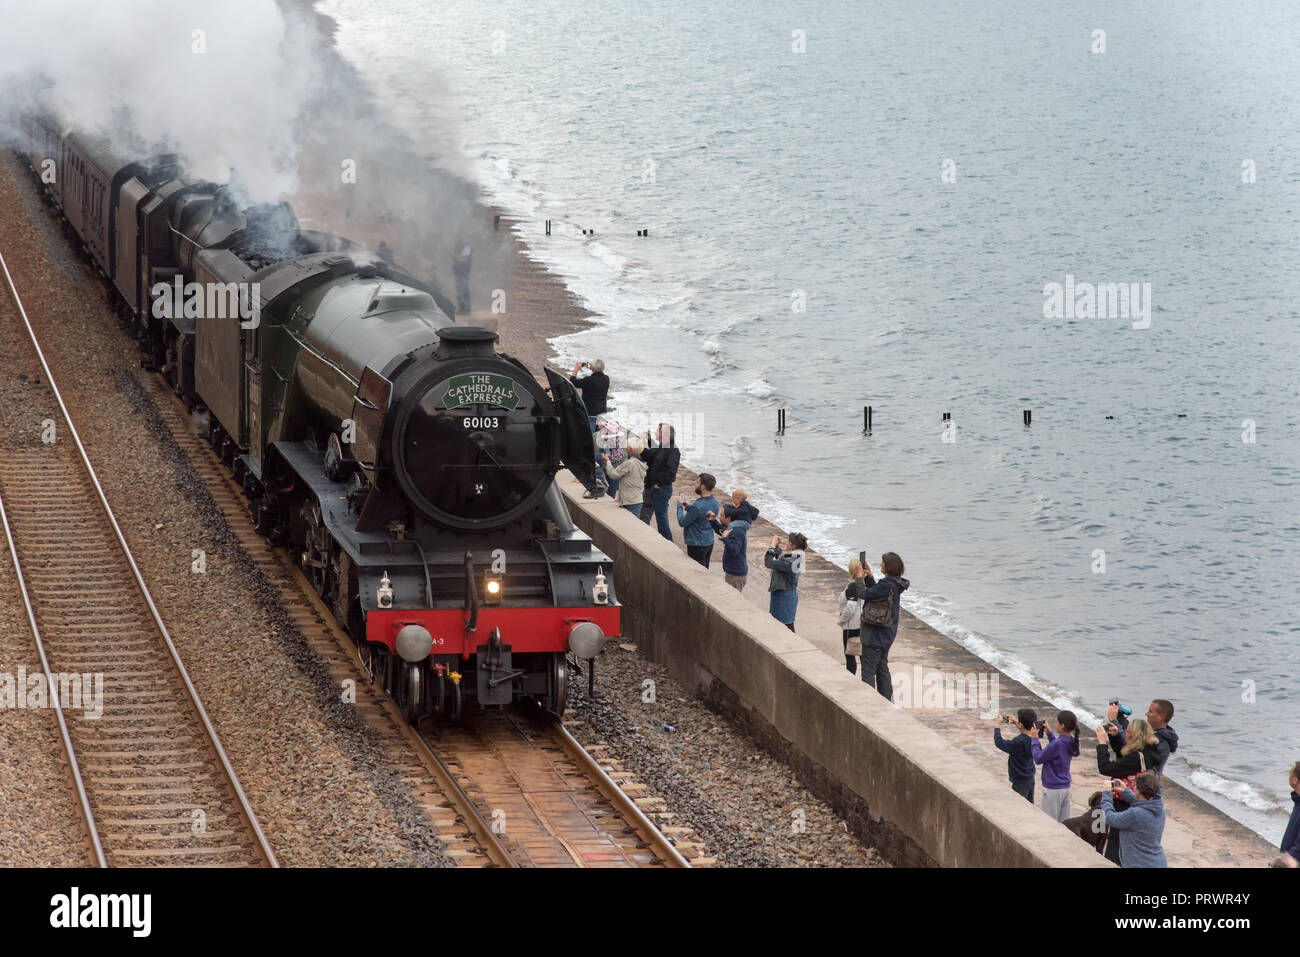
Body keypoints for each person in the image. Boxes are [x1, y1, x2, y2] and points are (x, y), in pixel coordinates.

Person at [1095, 717, 1163, 865]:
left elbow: (1106, 768)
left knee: (1116, 845)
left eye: (1127, 732)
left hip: (1123, 806)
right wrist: (1115, 737)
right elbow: (1124, 759)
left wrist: (1102, 744)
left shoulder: (1136, 758)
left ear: (1133, 736)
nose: (1125, 734)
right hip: (1134, 801)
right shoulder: (1149, 751)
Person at [843, 552, 910, 699]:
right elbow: (875, 594)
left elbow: (863, 593)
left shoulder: (886, 585)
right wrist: (870, 577)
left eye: (883, 563)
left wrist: (860, 577)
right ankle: (887, 701)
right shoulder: (893, 584)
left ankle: (869, 702)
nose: (881, 564)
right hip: (886, 635)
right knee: (882, 669)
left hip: (874, 636)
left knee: (868, 672)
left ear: (888, 567)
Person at [1100, 771, 1168, 868]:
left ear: (1139, 791)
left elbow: (1110, 818)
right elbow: (1143, 803)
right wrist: (1125, 791)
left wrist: (1106, 793)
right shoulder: (1159, 808)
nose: (1134, 787)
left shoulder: (1135, 814)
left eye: (1135, 786)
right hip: (1157, 862)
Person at [569, 361, 610, 498]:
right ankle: (598, 472)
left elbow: (572, 382)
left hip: (591, 415)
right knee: (599, 445)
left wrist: (577, 368)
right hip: (602, 415)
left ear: (592, 368)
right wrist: (592, 368)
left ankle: (588, 474)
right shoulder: (606, 379)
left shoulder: (590, 380)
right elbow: (594, 379)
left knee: (587, 445)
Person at [1033, 710, 1080, 821]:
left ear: (1062, 725)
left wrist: (1034, 739)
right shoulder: (1073, 741)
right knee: (1064, 823)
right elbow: (1058, 749)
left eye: (1056, 722)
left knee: (1050, 822)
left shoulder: (1057, 744)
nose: (1055, 724)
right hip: (1066, 787)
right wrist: (1049, 734)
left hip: (1052, 789)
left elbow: (1038, 758)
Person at [1109, 699, 1179, 774]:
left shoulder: (1159, 740)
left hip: (1145, 782)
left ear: (1161, 717)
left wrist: (1114, 721)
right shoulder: (1153, 733)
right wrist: (1120, 717)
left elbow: (1128, 747)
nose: (1147, 714)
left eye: (1150, 711)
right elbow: (1131, 732)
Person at [639, 423, 679, 540]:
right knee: (646, 515)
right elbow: (651, 454)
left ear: (664, 434)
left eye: (658, 431)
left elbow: (670, 472)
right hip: (653, 487)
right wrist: (648, 441)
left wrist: (659, 484)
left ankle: (668, 543)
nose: (656, 432)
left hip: (661, 489)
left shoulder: (672, 450)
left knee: (661, 520)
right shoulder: (663, 446)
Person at [764, 533, 806, 631]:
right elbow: (782, 557)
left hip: (784, 597)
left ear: (793, 546)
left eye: (788, 543)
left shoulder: (790, 562)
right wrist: (777, 546)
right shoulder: (797, 556)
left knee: (785, 627)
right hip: (787, 594)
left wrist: (772, 546)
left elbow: (768, 562)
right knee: (784, 625)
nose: (786, 544)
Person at [677, 474, 721, 568]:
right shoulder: (716, 503)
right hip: (708, 541)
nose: (695, 484)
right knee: (705, 570)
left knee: (697, 572)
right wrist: (689, 507)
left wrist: (680, 506)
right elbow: (702, 516)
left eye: (697, 482)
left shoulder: (698, 505)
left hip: (697, 543)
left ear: (703, 486)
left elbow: (682, 522)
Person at [995, 710, 1038, 803]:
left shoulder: (1018, 742)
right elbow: (1025, 732)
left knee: (1020, 806)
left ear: (1021, 724)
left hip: (1020, 781)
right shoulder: (1034, 739)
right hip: (1030, 778)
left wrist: (997, 726)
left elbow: (1000, 743)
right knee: (1030, 806)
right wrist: (1016, 722)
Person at [708, 506, 751, 591]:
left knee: (733, 601)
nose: (719, 517)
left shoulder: (736, 531)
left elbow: (734, 550)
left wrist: (725, 539)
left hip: (736, 575)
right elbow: (722, 530)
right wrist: (712, 520)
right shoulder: (733, 528)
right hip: (734, 572)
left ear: (729, 518)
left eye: (722, 515)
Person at [603, 434, 646, 517]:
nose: (625, 448)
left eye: (627, 447)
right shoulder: (640, 463)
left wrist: (608, 461)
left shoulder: (630, 463)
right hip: (637, 499)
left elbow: (613, 474)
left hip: (629, 501)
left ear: (630, 449)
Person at [836, 557, 864, 675]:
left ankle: (851, 679)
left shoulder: (852, 587)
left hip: (851, 627)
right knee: (863, 657)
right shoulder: (863, 585)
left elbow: (850, 608)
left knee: (850, 656)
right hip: (862, 625)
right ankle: (867, 682)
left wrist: (841, 621)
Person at [1280, 762, 1300, 866]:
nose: (1289, 777)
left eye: (1290, 774)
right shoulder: (1297, 800)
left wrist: (1287, 860)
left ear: (1295, 780)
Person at [452, 245, 472, 313]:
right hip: (460, 276)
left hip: (462, 276)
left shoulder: (467, 251)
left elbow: (463, 259)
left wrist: (457, 258)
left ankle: (465, 309)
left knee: (462, 293)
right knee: (461, 293)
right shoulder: (464, 254)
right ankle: (464, 309)